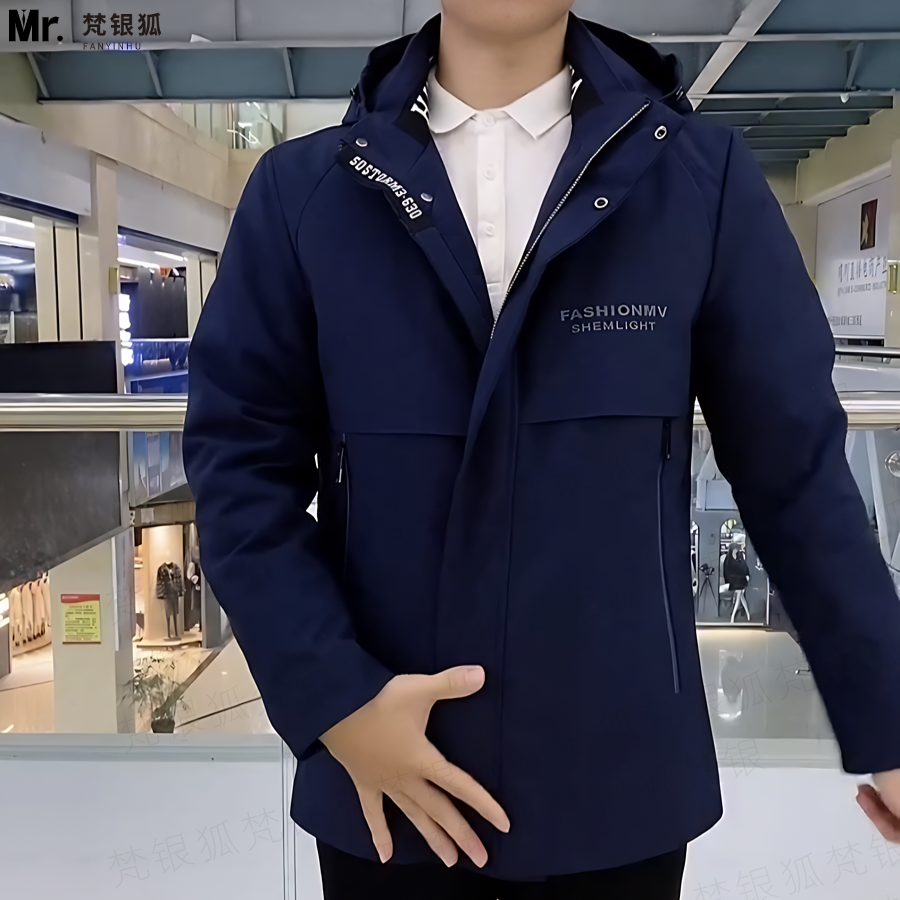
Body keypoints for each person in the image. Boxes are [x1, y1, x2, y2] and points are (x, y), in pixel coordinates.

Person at [182, 3, 900, 898]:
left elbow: (795, 471)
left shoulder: (698, 182)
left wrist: (888, 715)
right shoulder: (305, 194)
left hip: (616, 788)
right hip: (386, 787)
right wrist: (334, 696)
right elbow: (240, 466)